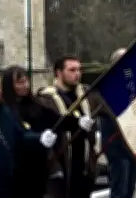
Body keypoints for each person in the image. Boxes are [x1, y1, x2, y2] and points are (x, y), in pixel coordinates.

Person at [2, 65, 80, 198]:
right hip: (21, 171)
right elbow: (18, 135)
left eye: (26, 81)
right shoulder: (5, 110)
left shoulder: (36, 104)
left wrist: (78, 122)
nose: (25, 85)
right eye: (20, 82)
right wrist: (38, 139)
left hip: (44, 166)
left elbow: (57, 120)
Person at [39, 56, 99, 198]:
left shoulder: (85, 95)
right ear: (59, 73)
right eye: (72, 70)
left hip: (84, 163)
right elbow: (53, 122)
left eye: (79, 70)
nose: (77, 74)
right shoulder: (47, 98)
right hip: (62, 162)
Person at [99, 48, 136, 198]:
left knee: (130, 188)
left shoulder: (132, 83)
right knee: (119, 190)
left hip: (132, 145)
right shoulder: (108, 85)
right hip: (116, 144)